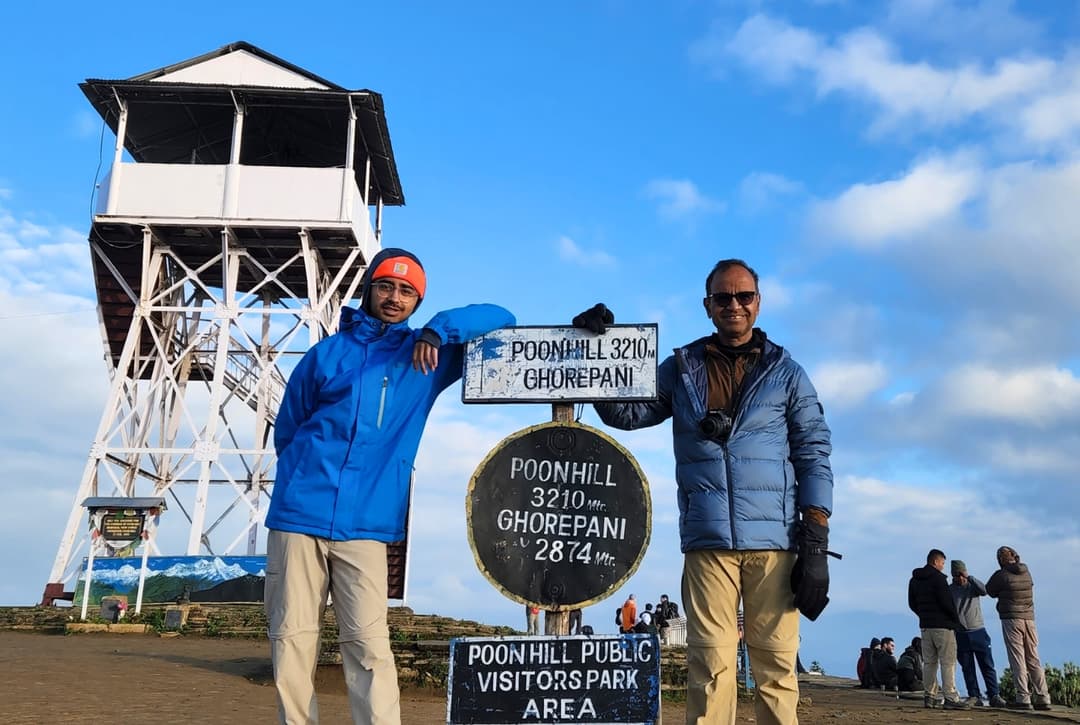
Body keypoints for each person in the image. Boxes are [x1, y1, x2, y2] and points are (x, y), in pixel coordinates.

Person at [576, 258, 837, 725]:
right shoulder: (682, 367)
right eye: (723, 298)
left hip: (776, 544)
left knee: (777, 669)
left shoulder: (788, 373)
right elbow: (626, 414)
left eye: (744, 296)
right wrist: (601, 351)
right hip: (707, 541)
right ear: (707, 305)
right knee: (710, 670)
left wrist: (815, 539)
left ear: (758, 303)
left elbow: (814, 451)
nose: (734, 305)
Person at [264, 247, 515, 725]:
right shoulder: (325, 355)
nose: (394, 297)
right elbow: (289, 430)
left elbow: (501, 316)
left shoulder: (429, 356)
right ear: (369, 289)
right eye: (385, 286)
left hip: (366, 525)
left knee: (370, 646)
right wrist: (302, 476)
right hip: (298, 517)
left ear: (418, 300)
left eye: (407, 291)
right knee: (293, 641)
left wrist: (440, 328)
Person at [986, 545, 1052, 711]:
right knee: (1033, 658)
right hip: (1030, 618)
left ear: (1001, 559)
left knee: (1018, 658)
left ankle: (1023, 697)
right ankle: (1043, 697)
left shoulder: (1001, 574)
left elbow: (989, 590)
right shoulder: (1026, 572)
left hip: (1011, 619)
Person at [908, 548, 970, 710]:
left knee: (929, 662)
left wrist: (923, 615)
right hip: (943, 626)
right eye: (942, 563)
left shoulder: (914, 580)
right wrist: (955, 621)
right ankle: (950, 696)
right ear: (935, 561)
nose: (943, 566)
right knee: (948, 662)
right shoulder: (938, 579)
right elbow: (947, 603)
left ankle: (929, 696)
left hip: (925, 626)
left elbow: (912, 603)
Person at [949, 559, 1005, 707]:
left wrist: (970, 577)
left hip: (978, 631)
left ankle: (994, 695)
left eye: (961, 574)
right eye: (956, 575)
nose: (960, 578)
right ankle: (974, 695)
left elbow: (985, 590)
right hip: (960, 634)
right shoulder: (949, 590)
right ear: (952, 576)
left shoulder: (973, 586)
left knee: (987, 665)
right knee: (967, 667)